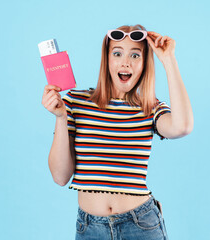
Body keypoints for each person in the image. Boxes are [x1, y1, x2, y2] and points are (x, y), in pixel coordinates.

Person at [42, 24, 193, 239]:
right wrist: (60, 117)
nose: (125, 62)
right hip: (90, 229)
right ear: (107, 60)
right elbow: (60, 176)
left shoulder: (150, 107)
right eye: (117, 53)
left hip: (141, 226)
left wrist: (169, 60)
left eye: (135, 55)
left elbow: (182, 126)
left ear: (144, 64)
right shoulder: (75, 103)